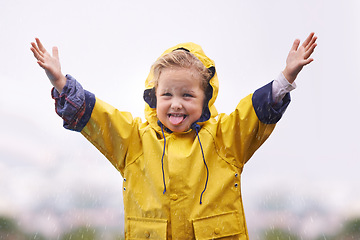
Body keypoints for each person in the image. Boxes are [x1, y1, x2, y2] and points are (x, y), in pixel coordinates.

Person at [30, 33, 317, 240]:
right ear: (154, 98)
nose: (176, 103)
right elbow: (96, 115)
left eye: (188, 95)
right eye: (167, 94)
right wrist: (61, 82)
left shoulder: (224, 139)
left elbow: (255, 111)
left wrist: (286, 77)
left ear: (205, 100)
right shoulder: (134, 141)